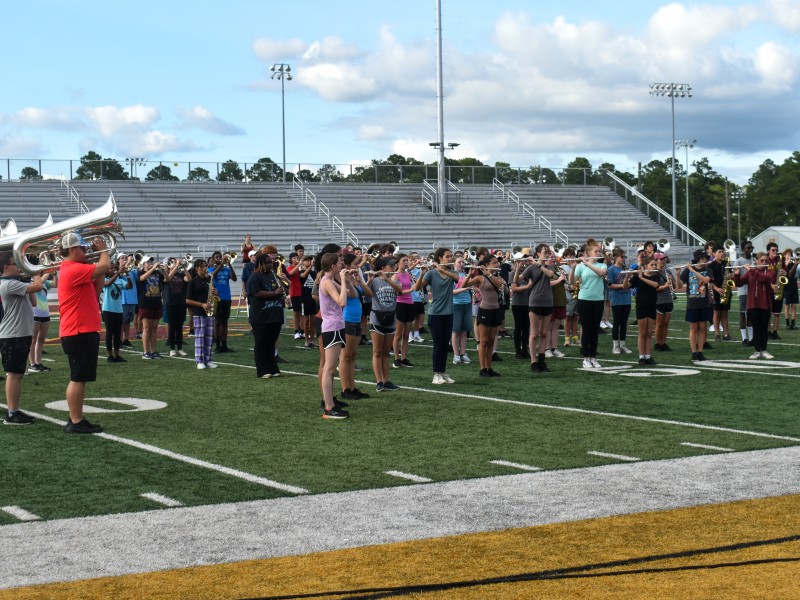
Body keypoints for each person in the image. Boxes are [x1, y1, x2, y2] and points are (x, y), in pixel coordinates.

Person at [58, 231, 110, 433]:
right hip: (79, 330)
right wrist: (103, 250)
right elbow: (105, 265)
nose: (86, 251)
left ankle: (76, 417)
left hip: (82, 329)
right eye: (81, 248)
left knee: (81, 377)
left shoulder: (76, 269)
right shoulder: (72, 269)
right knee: (78, 377)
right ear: (72, 250)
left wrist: (99, 263)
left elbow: (96, 290)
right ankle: (76, 421)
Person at [0, 252, 43, 425]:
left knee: (17, 374)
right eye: (14, 264)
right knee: (13, 374)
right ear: (5, 268)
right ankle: (12, 413)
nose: (18, 266)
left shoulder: (15, 283)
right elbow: (38, 287)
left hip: (20, 334)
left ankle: (14, 410)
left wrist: (27, 277)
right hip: (13, 335)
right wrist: (34, 271)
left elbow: (33, 302)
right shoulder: (7, 284)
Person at [406, 248, 459, 384]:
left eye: (451, 256)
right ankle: (436, 374)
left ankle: (442, 372)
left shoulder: (451, 272)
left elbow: (458, 279)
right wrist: (422, 274)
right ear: (440, 258)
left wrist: (442, 270)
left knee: (445, 345)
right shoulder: (431, 273)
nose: (450, 258)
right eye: (447, 256)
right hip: (436, 313)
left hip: (449, 313)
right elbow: (417, 288)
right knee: (438, 344)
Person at [318, 252, 354, 419]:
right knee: (329, 368)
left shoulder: (330, 281)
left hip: (336, 326)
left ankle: (330, 404)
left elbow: (351, 293)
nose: (342, 265)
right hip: (331, 327)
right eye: (339, 263)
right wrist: (341, 279)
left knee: (331, 369)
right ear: (332, 266)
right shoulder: (326, 282)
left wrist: (347, 279)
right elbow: (342, 301)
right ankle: (328, 407)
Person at [464, 253, 505, 377]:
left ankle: (489, 367)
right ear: (486, 265)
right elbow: (464, 285)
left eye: (496, 262)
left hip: (495, 310)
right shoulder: (480, 278)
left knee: (491, 341)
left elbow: (499, 286)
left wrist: (489, 274)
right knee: (484, 341)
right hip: (485, 310)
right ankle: (483, 369)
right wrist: (469, 275)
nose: (496, 264)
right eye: (493, 263)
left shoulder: (497, 277)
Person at [570, 238, 607, 368]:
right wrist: (574, 268)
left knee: (594, 330)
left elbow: (602, 274)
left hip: (598, 299)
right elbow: (572, 281)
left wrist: (587, 264)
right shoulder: (581, 266)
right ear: (589, 252)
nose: (598, 253)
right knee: (586, 329)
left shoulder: (602, 264)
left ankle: (593, 357)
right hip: (584, 299)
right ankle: (586, 358)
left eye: (599, 251)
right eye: (596, 251)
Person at [623, 256, 667, 365]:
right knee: (642, 333)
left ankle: (648, 356)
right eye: (652, 265)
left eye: (654, 265)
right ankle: (641, 357)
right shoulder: (637, 277)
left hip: (652, 306)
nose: (654, 266)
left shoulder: (655, 276)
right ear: (645, 266)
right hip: (641, 306)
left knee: (649, 333)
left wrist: (641, 277)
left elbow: (656, 286)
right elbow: (625, 286)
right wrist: (627, 276)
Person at [367, 256, 402, 392]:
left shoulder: (394, 279)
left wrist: (387, 278)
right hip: (377, 317)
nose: (393, 268)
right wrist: (370, 279)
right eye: (390, 266)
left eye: (394, 265)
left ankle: (386, 380)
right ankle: (379, 381)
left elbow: (399, 290)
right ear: (383, 268)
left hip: (390, 318)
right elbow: (365, 292)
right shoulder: (375, 281)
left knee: (386, 353)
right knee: (377, 352)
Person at [247, 252, 284, 378]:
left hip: (275, 314)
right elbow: (256, 293)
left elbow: (282, 291)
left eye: (271, 262)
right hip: (260, 316)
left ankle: (273, 368)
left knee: (271, 343)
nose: (270, 264)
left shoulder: (274, 276)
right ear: (260, 264)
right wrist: (274, 293)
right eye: (267, 263)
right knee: (261, 343)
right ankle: (262, 370)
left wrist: (284, 285)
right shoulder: (255, 277)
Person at [339, 253, 371, 399]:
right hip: (347, 319)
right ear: (346, 265)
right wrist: (346, 280)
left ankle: (352, 388)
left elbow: (368, 294)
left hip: (356, 320)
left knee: (352, 356)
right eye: (355, 263)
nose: (357, 266)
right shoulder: (342, 280)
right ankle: (345, 389)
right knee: (346, 356)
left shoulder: (356, 278)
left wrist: (360, 280)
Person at [522, 244, 557, 373]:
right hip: (535, 301)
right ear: (538, 253)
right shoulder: (531, 267)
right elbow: (520, 278)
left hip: (547, 301)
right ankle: (533, 361)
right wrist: (518, 268)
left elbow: (550, 275)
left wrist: (539, 264)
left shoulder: (548, 266)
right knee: (534, 333)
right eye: (545, 252)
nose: (547, 254)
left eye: (548, 252)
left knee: (544, 333)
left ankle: (542, 359)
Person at [732, 253, 775, 359]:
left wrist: (751, 270)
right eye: (762, 260)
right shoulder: (751, 272)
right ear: (756, 261)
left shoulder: (769, 272)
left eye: (766, 261)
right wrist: (737, 274)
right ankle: (756, 351)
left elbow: (763, 279)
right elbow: (739, 284)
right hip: (752, 305)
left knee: (763, 328)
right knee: (755, 328)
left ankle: (764, 350)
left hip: (765, 305)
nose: (764, 263)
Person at [681, 249, 713, 362]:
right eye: (702, 258)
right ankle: (694, 352)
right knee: (693, 328)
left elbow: (705, 280)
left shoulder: (708, 270)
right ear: (697, 259)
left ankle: (700, 352)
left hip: (704, 304)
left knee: (702, 328)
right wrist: (677, 273)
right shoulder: (687, 270)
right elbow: (679, 285)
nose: (704, 260)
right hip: (692, 303)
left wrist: (692, 270)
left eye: (705, 258)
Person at [185, 258, 217, 370]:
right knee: (200, 337)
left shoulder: (209, 280)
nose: (205, 268)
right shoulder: (193, 282)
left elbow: (215, 296)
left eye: (206, 266)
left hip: (210, 312)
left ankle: (208, 360)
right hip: (199, 312)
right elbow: (187, 300)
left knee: (209, 337)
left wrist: (215, 293)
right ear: (198, 268)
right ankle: (199, 360)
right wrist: (202, 305)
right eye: (203, 266)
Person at [101, 259, 132, 363]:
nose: (113, 270)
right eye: (111, 268)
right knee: (110, 333)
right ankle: (110, 355)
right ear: (107, 270)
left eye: (115, 268)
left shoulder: (120, 280)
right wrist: (118, 272)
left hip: (118, 310)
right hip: (108, 310)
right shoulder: (103, 279)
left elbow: (129, 286)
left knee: (117, 333)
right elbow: (109, 283)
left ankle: (117, 354)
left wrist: (127, 275)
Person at [208, 251, 237, 353]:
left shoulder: (227, 269)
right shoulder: (211, 269)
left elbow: (234, 278)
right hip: (217, 298)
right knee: (217, 322)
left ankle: (224, 344)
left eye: (220, 256)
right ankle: (217, 345)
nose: (219, 258)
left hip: (227, 298)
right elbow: (212, 276)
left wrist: (229, 264)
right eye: (217, 257)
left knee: (225, 322)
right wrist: (221, 264)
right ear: (213, 259)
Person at [606, 247, 633, 355]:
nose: (623, 259)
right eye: (622, 257)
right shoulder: (611, 269)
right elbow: (610, 285)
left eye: (624, 257)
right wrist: (623, 285)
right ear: (616, 257)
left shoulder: (626, 268)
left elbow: (630, 284)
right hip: (617, 299)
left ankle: (622, 345)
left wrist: (629, 277)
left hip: (626, 299)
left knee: (624, 323)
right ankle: (615, 346)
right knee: (617, 323)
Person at [28, 268, 55, 373]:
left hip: (45, 314)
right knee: (33, 340)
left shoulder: (44, 282)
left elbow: (55, 284)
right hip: (35, 314)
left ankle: (38, 363)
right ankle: (32, 363)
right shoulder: (32, 282)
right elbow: (41, 282)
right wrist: (50, 269)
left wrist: (55, 273)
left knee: (41, 340)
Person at [391, 254, 415, 369]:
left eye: (407, 260)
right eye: (404, 260)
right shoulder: (395, 276)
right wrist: (411, 289)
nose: (406, 262)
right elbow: (398, 292)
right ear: (398, 262)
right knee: (398, 334)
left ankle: (404, 358)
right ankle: (396, 358)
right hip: (400, 304)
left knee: (406, 335)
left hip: (410, 304)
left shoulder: (407, 274)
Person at [164, 258, 189, 357]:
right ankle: (172, 348)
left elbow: (189, 279)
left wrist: (183, 267)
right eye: (173, 263)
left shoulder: (181, 275)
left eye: (175, 262)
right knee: (172, 326)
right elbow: (168, 279)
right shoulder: (165, 274)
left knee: (179, 327)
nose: (175, 264)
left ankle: (180, 348)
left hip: (181, 303)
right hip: (170, 303)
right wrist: (176, 266)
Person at [653, 253, 678, 351]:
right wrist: (665, 286)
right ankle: (657, 343)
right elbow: (655, 288)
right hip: (659, 301)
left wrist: (672, 281)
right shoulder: (654, 272)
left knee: (666, 323)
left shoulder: (668, 271)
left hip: (669, 299)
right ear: (656, 260)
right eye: (660, 259)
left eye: (663, 259)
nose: (662, 261)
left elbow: (675, 286)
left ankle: (663, 343)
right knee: (659, 324)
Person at [451, 255, 473, 364]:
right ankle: (456, 355)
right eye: (459, 262)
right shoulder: (452, 275)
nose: (461, 264)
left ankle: (463, 354)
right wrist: (464, 288)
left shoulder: (465, 274)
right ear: (454, 264)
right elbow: (450, 292)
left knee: (465, 331)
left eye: (463, 262)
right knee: (456, 331)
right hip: (456, 304)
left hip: (467, 303)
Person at [510, 257, 532, 359]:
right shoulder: (512, 273)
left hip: (528, 303)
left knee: (526, 328)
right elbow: (514, 288)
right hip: (518, 304)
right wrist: (527, 287)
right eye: (520, 261)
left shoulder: (527, 273)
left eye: (524, 261)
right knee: (519, 327)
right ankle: (518, 351)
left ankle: (525, 350)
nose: (523, 263)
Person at [734, 241, 754, 345]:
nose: (750, 250)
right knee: (742, 314)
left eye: (751, 248)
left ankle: (751, 339)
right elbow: (735, 276)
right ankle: (744, 338)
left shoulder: (753, 261)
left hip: (752, 292)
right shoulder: (738, 261)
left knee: (750, 315)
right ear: (743, 249)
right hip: (743, 292)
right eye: (748, 248)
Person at [119, 254, 138, 348]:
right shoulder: (119, 270)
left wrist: (135, 264)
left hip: (133, 299)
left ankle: (126, 339)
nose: (125, 259)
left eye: (126, 258)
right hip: (124, 300)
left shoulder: (132, 271)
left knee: (128, 322)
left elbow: (138, 276)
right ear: (118, 260)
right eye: (122, 258)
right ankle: (119, 340)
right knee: (122, 321)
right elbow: (121, 272)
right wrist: (128, 262)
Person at [781, 248, 798, 330]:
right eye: (787, 254)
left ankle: (793, 324)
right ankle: (787, 323)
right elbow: (781, 274)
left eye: (790, 255)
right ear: (784, 255)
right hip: (786, 286)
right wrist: (786, 264)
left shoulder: (794, 264)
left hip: (794, 285)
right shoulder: (783, 264)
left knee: (794, 305)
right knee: (787, 305)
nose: (789, 256)